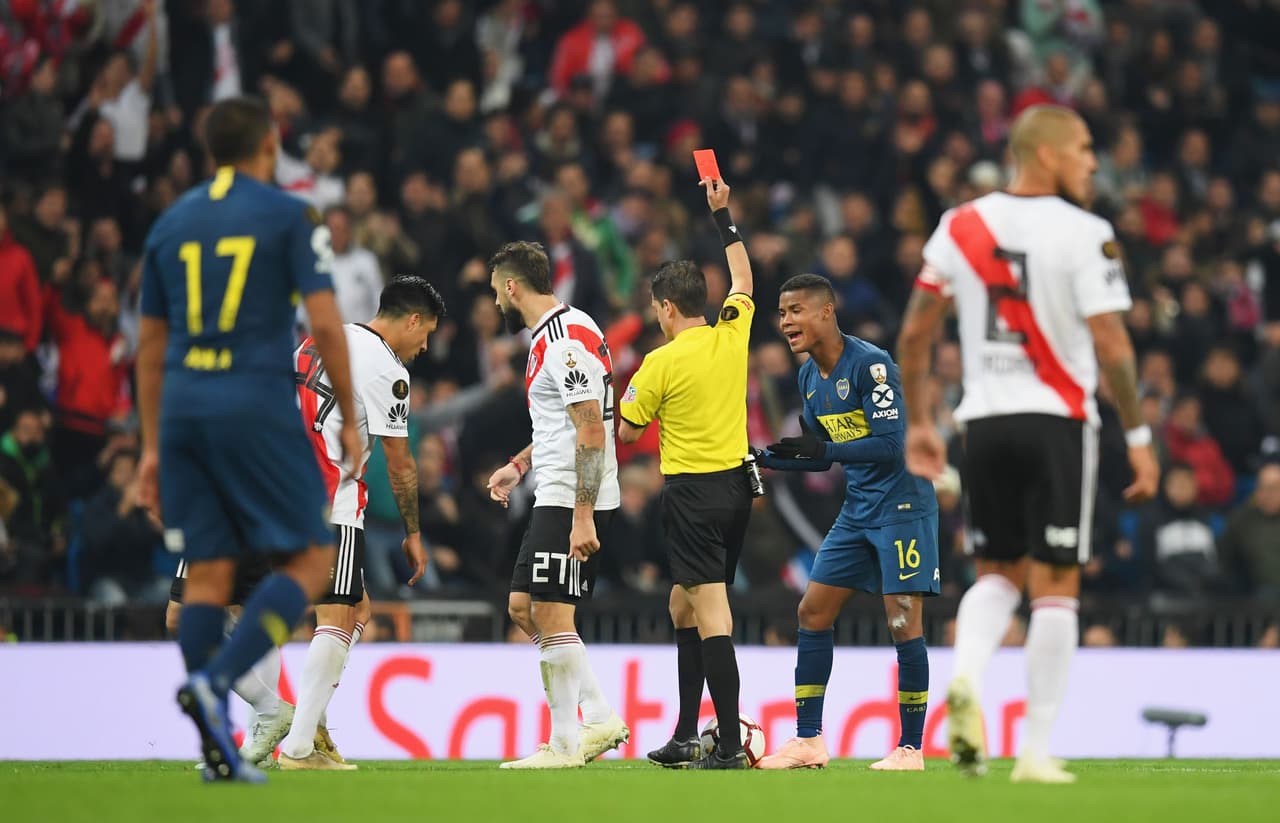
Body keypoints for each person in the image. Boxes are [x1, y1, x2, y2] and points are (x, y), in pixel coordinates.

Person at [896, 104, 1159, 784]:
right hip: (1057, 420)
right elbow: (1113, 345)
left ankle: (965, 679)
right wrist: (1138, 433)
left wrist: (922, 422)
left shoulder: (961, 224)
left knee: (996, 573)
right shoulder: (1086, 231)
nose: (1092, 161)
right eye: (1083, 147)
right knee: (1056, 583)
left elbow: (917, 331)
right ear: (1045, 154)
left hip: (981, 421)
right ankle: (1036, 750)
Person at [135, 96, 360, 783]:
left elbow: (148, 346)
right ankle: (218, 682)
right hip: (254, 405)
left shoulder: (169, 225)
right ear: (269, 143)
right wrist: (349, 413)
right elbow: (323, 323)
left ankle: (219, 746)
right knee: (310, 559)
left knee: (206, 573)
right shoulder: (290, 215)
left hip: (181, 409)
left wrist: (148, 446)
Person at [753, 273, 939, 771]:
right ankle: (809, 741)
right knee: (813, 611)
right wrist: (766, 458)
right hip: (858, 509)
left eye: (795, 311)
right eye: (782, 312)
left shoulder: (871, 366)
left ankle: (911, 748)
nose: (786, 321)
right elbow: (817, 457)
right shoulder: (809, 377)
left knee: (902, 621)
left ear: (826, 312)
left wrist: (826, 449)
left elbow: (890, 444)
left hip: (902, 507)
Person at [617, 175, 755, 770]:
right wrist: (723, 218)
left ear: (667, 307)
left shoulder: (658, 361)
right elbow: (746, 279)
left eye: (655, 308)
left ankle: (725, 744)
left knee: (711, 612)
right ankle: (682, 734)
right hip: (738, 491)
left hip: (692, 494)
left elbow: (625, 432)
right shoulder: (733, 333)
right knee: (683, 606)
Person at [278, 275, 443, 770]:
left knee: (356, 609)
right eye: (427, 333)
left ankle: (313, 730)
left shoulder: (317, 340)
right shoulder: (388, 370)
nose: (425, 345)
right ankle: (298, 745)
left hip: (276, 492)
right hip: (331, 500)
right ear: (411, 320)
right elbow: (400, 463)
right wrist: (414, 534)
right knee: (335, 616)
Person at [485, 240, 628, 769]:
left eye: (496, 292)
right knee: (523, 609)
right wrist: (520, 465)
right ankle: (600, 714)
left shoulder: (565, 342)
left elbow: (592, 428)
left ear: (512, 287)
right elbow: (562, 425)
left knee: (548, 612)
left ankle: (566, 743)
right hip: (554, 490)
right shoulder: (559, 333)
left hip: (573, 497)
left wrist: (584, 515)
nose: (496, 303)